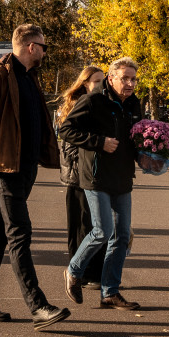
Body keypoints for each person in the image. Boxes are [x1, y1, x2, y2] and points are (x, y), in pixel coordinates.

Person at [0, 24, 70, 330]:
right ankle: (38, 306)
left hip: (25, 167)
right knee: (19, 232)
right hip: (4, 167)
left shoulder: (28, 77)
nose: (44, 50)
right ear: (29, 47)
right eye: (43, 45)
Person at [61, 57, 143, 311]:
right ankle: (74, 271)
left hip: (121, 177)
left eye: (133, 79)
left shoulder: (134, 104)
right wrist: (99, 142)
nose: (130, 83)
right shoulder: (93, 100)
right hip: (95, 176)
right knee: (102, 231)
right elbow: (66, 130)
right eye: (125, 78)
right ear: (111, 78)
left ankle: (110, 292)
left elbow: (134, 137)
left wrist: (149, 154)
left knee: (120, 237)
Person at [56, 66, 107, 291]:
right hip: (78, 175)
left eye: (103, 80)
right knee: (81, 225)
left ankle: (89, 271)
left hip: (91, 173)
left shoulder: (99, 103)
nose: (101, 84)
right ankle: (81, 272)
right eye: (97, 80)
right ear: (85, 83)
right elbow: (70, 144)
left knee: (94, 224)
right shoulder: (78, 106)